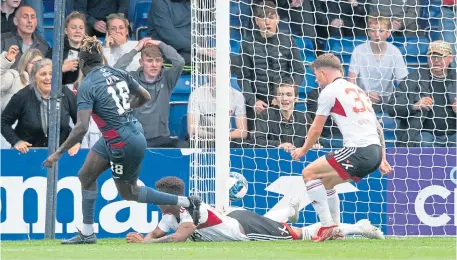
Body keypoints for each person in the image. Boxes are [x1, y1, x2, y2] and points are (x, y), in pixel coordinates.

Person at [41, 36, 201, 244]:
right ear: (101, 59)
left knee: (129, 193)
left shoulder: (87, 85)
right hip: (119, 135)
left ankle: (187, 202)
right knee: (86, 176)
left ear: (81, 63)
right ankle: (87, 233)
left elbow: (81, 128)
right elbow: (145, 96)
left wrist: (58, 153)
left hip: (123, 142)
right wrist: (124, 110)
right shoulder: (118, 72)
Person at [290, 54, 393, 242]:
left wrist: (303, 150)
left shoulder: (329, 91)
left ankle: (328, 225)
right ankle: (336, 230)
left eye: (316, 75)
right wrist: (382, 158)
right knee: (327, 183)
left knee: (309, 173)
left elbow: (316, 128)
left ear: (323, 72)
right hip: (374, 151)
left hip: (358, 149)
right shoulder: (358, 90)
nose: (316, 79)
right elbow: (378, 128)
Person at [125, 177, 385, 243]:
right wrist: (143, 239)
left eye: (159, 198)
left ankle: (358, 227)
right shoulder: (171, 215)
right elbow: (157, 234)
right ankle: (287, 211)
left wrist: (145, 245)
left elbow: (180, 236)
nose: (156, 202)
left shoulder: (193, 210)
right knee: (279, 222)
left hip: (247, 229)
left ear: (170, 198)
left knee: (304, 235)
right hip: (237, 217)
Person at [114, 38, 186, 148]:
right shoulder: (132, 78)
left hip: (161, 138)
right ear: (141, 63)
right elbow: (116, 70)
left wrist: (161, 44)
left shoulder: (167, 78)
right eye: (149, 60)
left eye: (158, 60)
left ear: (162, 61)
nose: (154, 65)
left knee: (184, 146)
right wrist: (136, 49)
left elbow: (180, 62)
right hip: (137, 138)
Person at [1, 58, 80, 154]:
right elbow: (3, 122)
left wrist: (76, 141)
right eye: (43, 74)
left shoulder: (66, 93)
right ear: (34, 77)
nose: (48, 78)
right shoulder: (22, 96)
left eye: (51, 74)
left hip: (61, 155)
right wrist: (16, 141)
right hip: (28, 155)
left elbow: (81, 121)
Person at [387, 40, 456, 147]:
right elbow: (392, 107)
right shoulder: (414, 78)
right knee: (423, 141)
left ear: (450, 58)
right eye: (432, 56)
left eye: (440, 56)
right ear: (428, 58)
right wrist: (414, 106)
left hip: (453, 135)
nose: (436, 60)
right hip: (424, 135)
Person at [348, 14, 408, 113]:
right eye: (373, 30)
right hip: (361, 100)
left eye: (381, 31)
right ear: (368, 32)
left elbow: (403, 82)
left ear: (388, 33)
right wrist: (363, 94)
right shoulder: (358, 51)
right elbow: (351, 82)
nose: (377, 34)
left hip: (387, 102)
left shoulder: (394, 52)